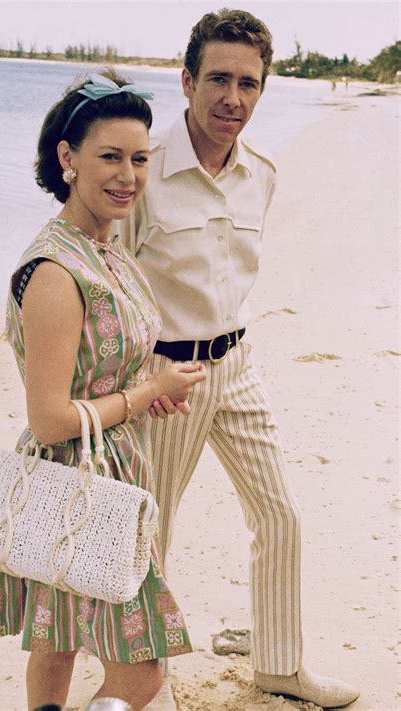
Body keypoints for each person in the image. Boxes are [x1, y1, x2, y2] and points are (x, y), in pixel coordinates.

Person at [120, 9, 360, 709]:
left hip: (238, 363)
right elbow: (108, 284)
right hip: (166, 375)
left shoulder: (263, 173)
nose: (233, 98)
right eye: (219, 79)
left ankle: (280, 665)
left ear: (263, 89)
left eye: (248, 83)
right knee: (150, 529)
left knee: (280, 513)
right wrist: (137, 383)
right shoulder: (144, 174)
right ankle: (148, 680)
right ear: (187, 80)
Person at [0, 69, 206, 711]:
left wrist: (149, 388)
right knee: (142, 675)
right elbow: (50, 418)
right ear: (67, 159)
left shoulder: (108, 250)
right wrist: (143, 394)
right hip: (74, 481)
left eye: (139, 158)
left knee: (55, 642)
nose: (128, 175)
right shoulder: (55, 269)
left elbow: (98, 369)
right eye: (110, 156)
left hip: (111, 467)